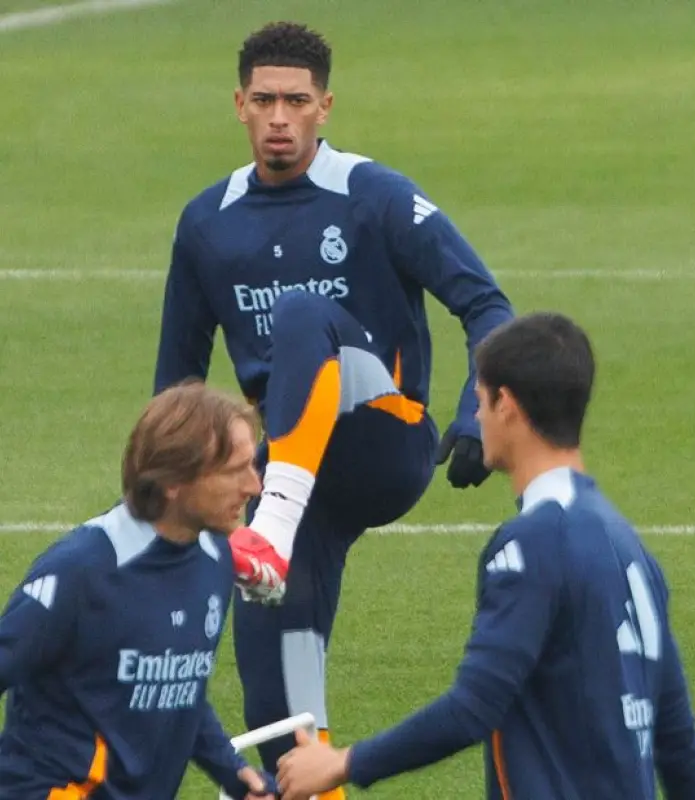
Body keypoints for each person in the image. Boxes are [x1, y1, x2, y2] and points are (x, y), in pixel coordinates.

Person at [151, 20, 516, 790]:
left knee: (296, 316)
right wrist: (157, 514)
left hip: (387, 440)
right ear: (239, 105)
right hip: (289, 472)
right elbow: (176, 392)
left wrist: (477, 414)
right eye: (264, 100)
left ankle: (272, 531)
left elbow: (487, 306)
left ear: (325, 107)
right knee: (279, 694)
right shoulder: (205, 223)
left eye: (296, 101)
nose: (279, 117)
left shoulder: (375, 194)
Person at [272, 312, 695, 800]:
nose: (477, 416)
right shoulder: (630, 548)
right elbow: (677, 745)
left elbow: (474, 706)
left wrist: (343, 762)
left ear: (506, 403)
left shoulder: (531, 544)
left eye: (480, 400)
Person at [0, 382, 274, 799]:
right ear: (173, 480)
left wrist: (232, 772)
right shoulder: (81, 572)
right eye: (235, 470)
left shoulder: (214, 559)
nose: (254, 486)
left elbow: (179, 688)